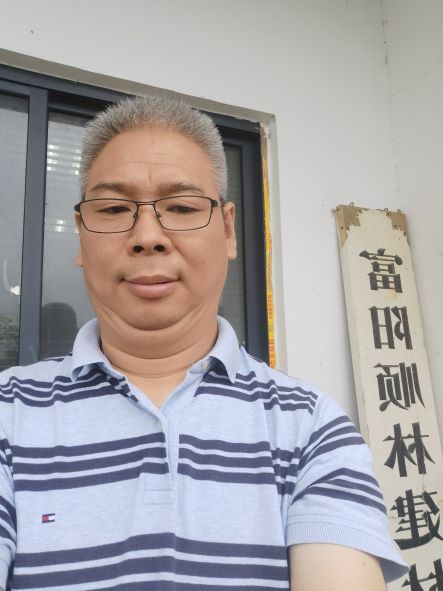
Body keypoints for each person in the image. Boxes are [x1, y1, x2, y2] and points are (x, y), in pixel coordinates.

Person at [0, 95, 408, 591]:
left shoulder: (309, 427)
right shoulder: (8, 413)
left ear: (229, 230)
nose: (147, 236)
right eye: (113, 208)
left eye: (181, 207)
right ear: (81, 234)